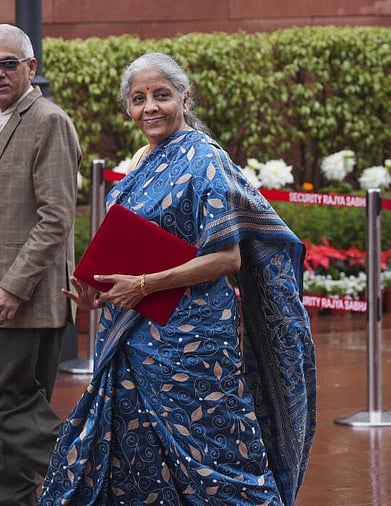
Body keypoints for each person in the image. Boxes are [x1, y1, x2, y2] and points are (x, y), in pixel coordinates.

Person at [40, 53, 317, 505]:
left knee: (217, 459)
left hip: (192, 341)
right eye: (138, 99)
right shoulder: (144, 159)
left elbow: (226, 258)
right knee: (136, 456)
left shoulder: (205, 159)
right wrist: (102, 293)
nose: (150, 107)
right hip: (134, 334)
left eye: (161, 96)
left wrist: (144, 285)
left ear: (185, 99)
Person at [0, 24, 81, 506]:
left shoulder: (48, 120)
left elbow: (56, 218)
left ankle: (91, 471)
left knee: (9, 407)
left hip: (25, 299)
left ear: (31, 68)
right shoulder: (4, 117)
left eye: (8, 64)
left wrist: (13, 286)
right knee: (0, 413)